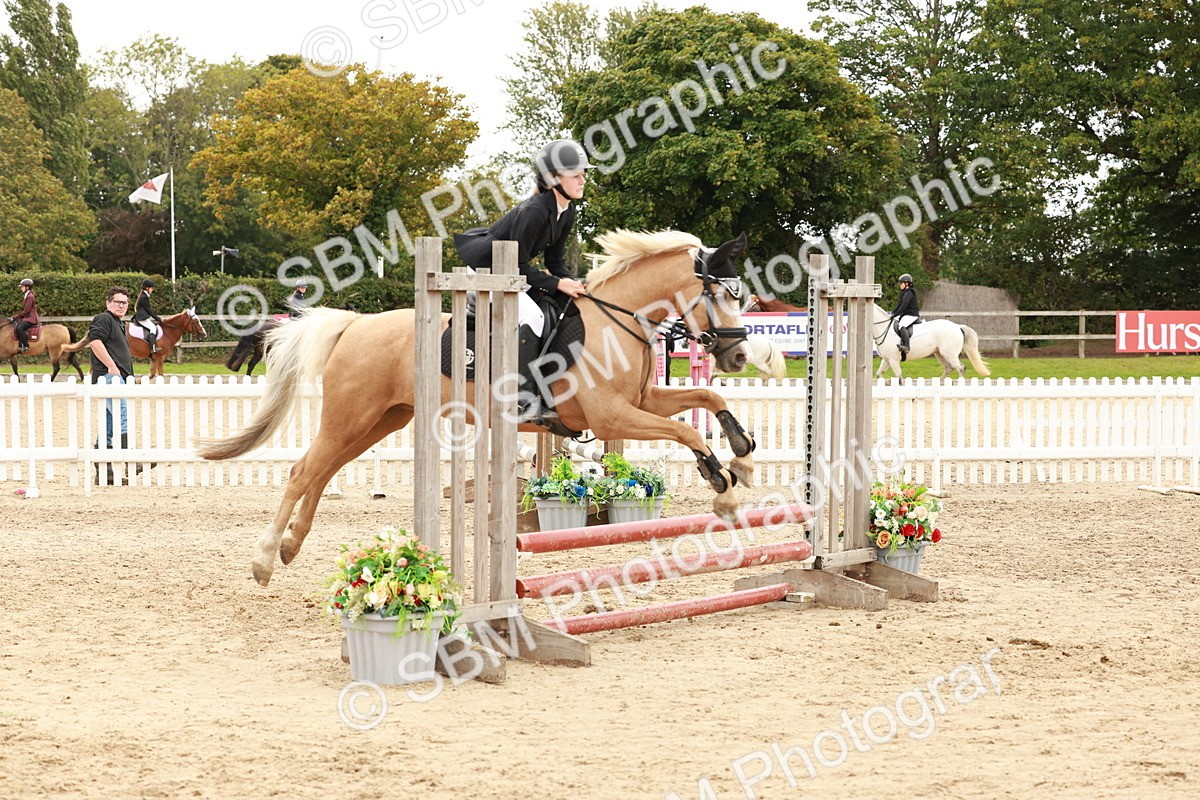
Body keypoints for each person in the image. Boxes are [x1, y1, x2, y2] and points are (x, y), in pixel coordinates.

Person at [453, 139, 591, 417]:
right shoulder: (534, 211)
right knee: (533, 316)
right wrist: (557, 283)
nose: (583, 180)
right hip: (487, 271)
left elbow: (555, 261)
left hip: (510, 271)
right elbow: (517, 265)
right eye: (575, 174)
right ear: (552, 178)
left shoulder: (567, 211)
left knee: (560, 305)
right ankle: (521, 398)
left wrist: (573, 283)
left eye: (584, 174)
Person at [89, 287, 135, 482]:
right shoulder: (104, 318)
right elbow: (95, 342)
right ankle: (132, 459)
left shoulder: (118, 323)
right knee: (122, 416)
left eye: (125, 303)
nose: (122, 305)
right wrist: (112, 366)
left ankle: (104, 473)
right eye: (118, 302)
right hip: (110, 378)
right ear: (108, 303)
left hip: (116, 378)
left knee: (107, 426)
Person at [891, 273, 920, 360]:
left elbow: (903, 306)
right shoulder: (903, 293)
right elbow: (899, 305)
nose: (900, 285)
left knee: (901, 325)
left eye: (901, 283)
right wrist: (892, 313)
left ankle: (906, 346)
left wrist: (895, 315)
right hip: (906, 314)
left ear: (907, 283)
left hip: (912, 314)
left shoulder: (909, 292)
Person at [133, 279, 163, 353]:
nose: (152, 290)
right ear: (147, 288)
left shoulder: (144, 295)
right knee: (153, 328)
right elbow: (148, 310)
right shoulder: (144, 297)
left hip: (142, 316)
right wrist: (157, 318)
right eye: (151, 288)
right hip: (142, 318)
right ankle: (152, 348)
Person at [13, 278, 39, 353]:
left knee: (20, 328)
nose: (21, 288)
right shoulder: (27, 295)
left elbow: (27, 310)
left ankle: (26, 346)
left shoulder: (30, 296)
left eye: (22, 286)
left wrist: (17, 316)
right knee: (16, 325)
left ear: (27, 287)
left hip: (31, 318)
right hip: (28, 317)